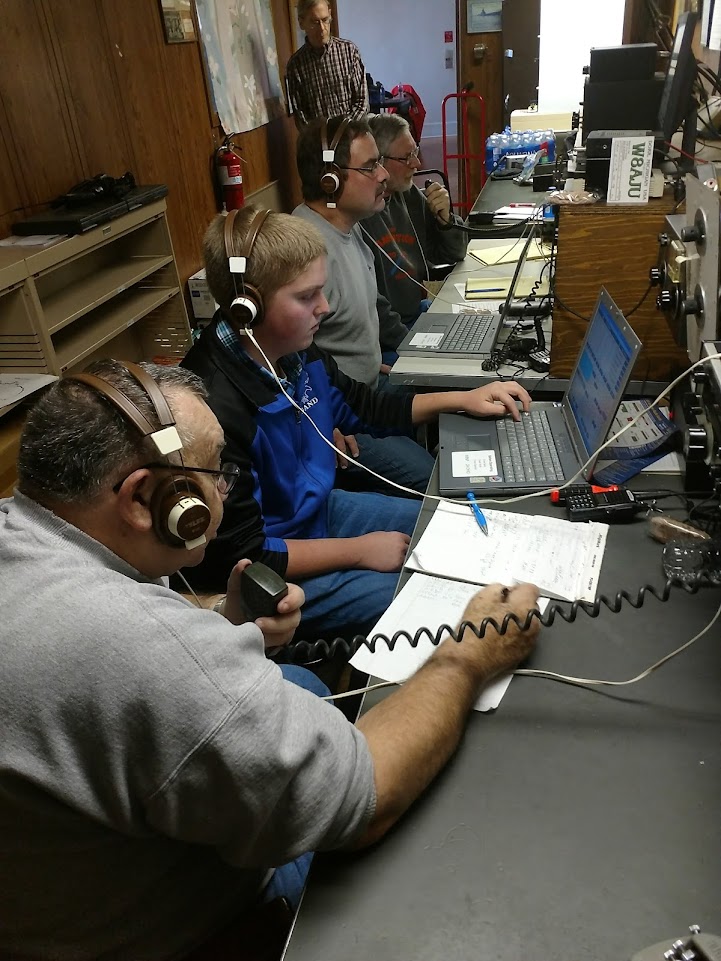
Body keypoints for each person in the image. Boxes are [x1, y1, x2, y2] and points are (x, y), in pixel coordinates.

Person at [0, 356, 541, 960]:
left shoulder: (24, 535)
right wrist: (468, 655)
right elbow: (368, 796)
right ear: (146, 499)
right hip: (192, 933)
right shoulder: (149, 651)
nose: (225, 491)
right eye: (216, 473)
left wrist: (219, 618)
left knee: (303, 681)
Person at [181, 205, 532, 639]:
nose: (324, 307)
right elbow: (244, 554)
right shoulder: (211, 407)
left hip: (318, 515)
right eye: (307, 296)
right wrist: (360, 551)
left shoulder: (291, 351)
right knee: (423, 592)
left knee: (453, 530)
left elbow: (365, 408)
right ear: (247, 310)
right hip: (273, 563)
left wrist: (463, 399)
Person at [293, 114, 437, 493]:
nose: (384, 175)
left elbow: (364, 313)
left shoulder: (348, 228)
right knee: (433, 480)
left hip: (370, 387)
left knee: (450, 395)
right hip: (342, 416)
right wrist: (316, 420)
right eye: (371, 166)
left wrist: (378, 362)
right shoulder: (305, 253)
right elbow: (279, 357)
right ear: (330, 180)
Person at [363, 112, 469, 326]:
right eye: (406, 157)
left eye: (415, 151)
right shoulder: (360, 215)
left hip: (416, 312)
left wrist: (446, 221)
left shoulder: (408, 195)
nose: (417, 163)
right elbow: (374, 312)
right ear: (378, 162)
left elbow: (454, 253)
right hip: (390, 330)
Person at [285, 0, 368, 128]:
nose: (322, 28)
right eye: (315, 22)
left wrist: (344, 132)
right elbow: (301, 115)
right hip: (319, 138)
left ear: (330, 15)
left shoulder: (349, 51)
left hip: (352, 134)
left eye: (325, 20)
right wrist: (321, 137)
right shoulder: (296, 65)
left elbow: (362, 102)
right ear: (301, 23)